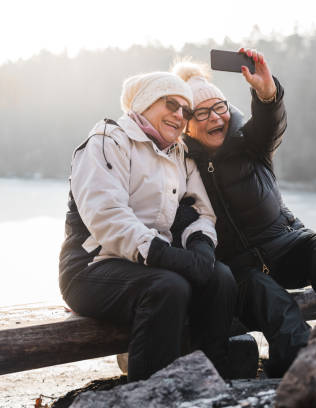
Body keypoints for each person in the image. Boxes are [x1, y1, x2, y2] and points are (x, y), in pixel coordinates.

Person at [172, 49, 316, 377]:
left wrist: (266, 92)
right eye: (201, 113)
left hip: (284, 246)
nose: (215, 118)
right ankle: (305, 364)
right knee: (269, 297)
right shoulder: (179, 166)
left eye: (218, 108)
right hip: (240, 274)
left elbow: (270, 119)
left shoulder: (249, 143)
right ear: (186, 124)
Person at [58, 71, 237, 381]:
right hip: (92, 267)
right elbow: (107, 215)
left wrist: (201, 247)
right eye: (171, 104)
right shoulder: (107, 139)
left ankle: (208, 383)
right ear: (145, 103)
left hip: (150, 265)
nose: (180, 116)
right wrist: (163, 254)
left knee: (219, 277)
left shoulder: (178, 153)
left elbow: (201, 211)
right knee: (167, 287)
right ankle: (150, 393)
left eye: (185, 110)